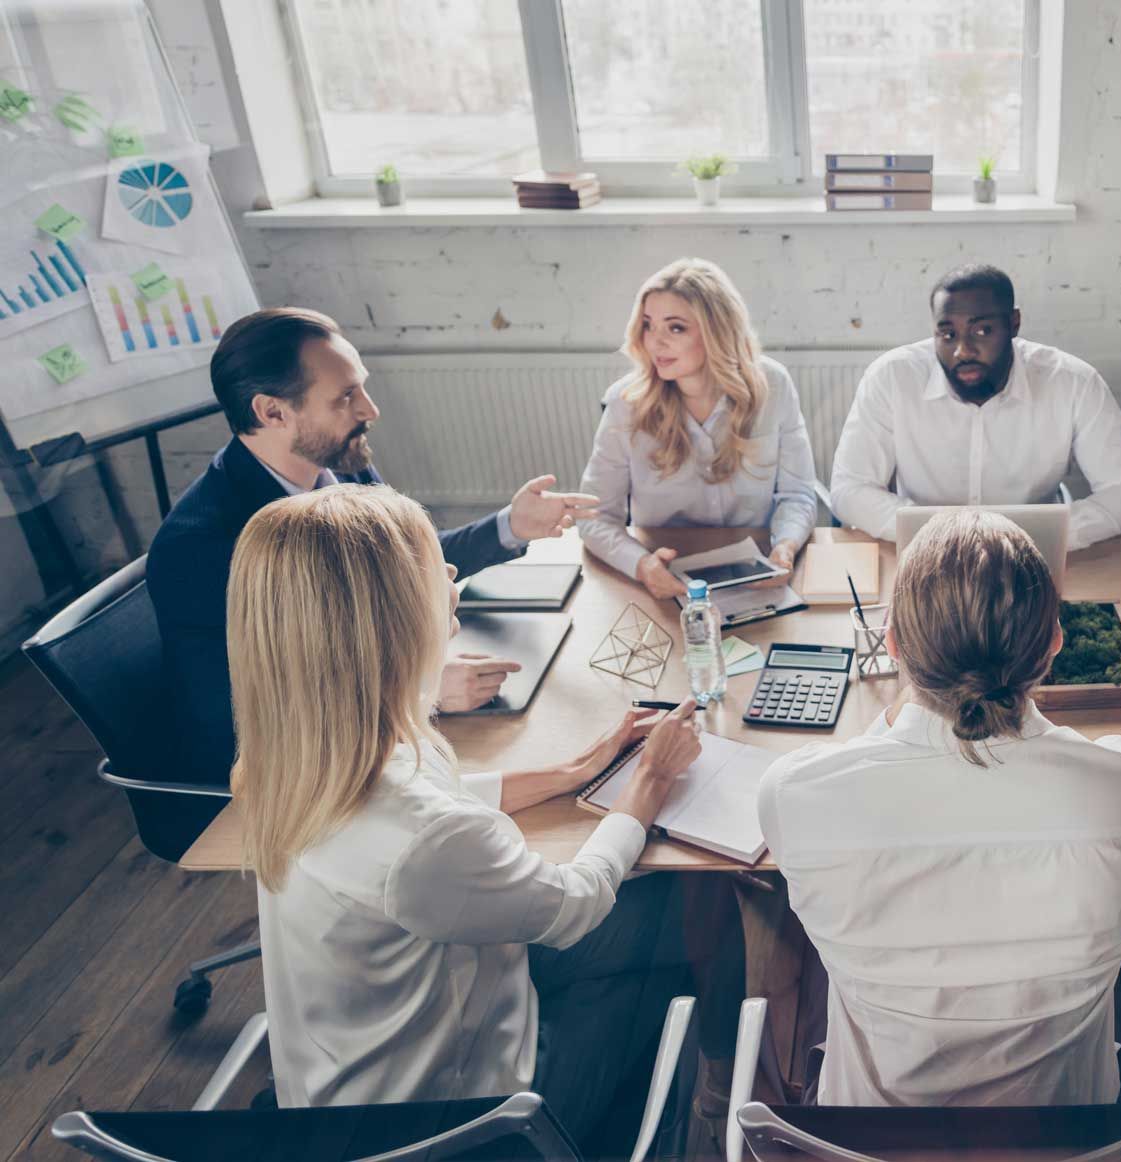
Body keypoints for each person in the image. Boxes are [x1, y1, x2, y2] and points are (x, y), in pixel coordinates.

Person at [228, 484, 703, 1144]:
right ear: (388, 618)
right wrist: (650, 778)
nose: (452, 574)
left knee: (659, 909)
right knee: (693, 925)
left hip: (344, 1081)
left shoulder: (302, 753)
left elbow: (439, 801)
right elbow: (575, 902)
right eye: (431, 568)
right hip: (458, 1123)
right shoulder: (426, 836)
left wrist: (575, 771)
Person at [758, 510, 1121, 1105]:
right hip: (1069, 1140)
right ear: (1054, 645)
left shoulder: (796, 796)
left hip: (874, 1143)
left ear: (894, 642)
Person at [144, 307, 595, 858]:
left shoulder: (339, 464)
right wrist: (412, 690)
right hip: (287, 781)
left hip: (375, 726)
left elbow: (408, 568)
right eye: (345, 397)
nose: (370, 410)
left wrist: (509, 527)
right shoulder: (206, 546)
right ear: (271, 411)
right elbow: (252, 705)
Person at [828, 264, 1121, 551]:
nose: (962, 350)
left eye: (982, 330)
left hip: (1034, 558)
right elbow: (849, 489)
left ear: (1014, 323)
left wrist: (1046, 534)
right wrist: (947, 537)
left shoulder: (1072, 382)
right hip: (924, 557)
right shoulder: (892, 377)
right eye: (948, 334)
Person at [580, 258, 819, 599]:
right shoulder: (626, 401)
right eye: (648, 325)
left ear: (716, 331)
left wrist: (785, 547)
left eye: (675, 328)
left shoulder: (773, 385)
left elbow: (797, 496)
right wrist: (642, 565)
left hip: (754, 576)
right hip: (665, 578)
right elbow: (594, 516)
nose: (655, 342)